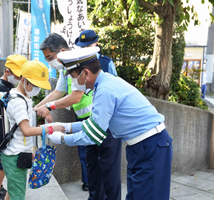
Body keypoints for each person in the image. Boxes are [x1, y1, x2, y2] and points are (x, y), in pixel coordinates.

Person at [48, 47, 173, 200]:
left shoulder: (105, 89)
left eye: (74, 77)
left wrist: (62, 139)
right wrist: (66, 127)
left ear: (86, 73)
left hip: (150, 145)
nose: (74, 82)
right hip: (141, 147)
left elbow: (92, 136)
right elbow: (94, 124)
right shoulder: (104, 83)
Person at [1, 60, 65, 200]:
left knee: (12, 192)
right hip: (15, 156)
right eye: (35, 85)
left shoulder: (20, 96)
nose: (37, 89)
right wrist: (49, 128)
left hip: (16, 153)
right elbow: (26, 131)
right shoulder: (18, 101)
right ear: (23, 79)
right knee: (17, 195)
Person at [35, 33, 89, 191]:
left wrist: (49, 107)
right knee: (84, 152)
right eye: (46, 58)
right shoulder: (64, 68)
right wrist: (36, 107)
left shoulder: (78, 63)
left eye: (50, 57)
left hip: (95, 116)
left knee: (95, 156)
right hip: (81, 117)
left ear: (62, 50)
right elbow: (57, 92)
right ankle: (89, 183)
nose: (49, 62)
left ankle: (94, 185)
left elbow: (75, 97)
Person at [73, 30, 121, 199]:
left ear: (97, 44)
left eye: (88, 45)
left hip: (107, 121)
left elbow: (114, 88)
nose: (85, 48)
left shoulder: (106, 63)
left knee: (109, 166)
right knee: (91, 162)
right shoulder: (77, 63)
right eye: (82, 46)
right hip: (88, 118)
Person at [0, 55, 27, 200]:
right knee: (2, 164)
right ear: (7, 71)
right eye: (17, 74)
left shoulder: (5, 86)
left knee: (0, 163)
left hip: (2, 136)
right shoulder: (1, 88)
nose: (19, 77)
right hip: (3, 136)